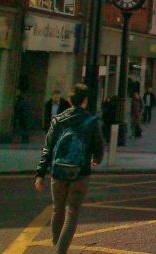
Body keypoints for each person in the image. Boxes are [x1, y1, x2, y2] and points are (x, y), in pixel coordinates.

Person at [35, 83, 105, 254]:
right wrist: (96, 159)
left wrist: (40, 174)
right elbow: (99, 147)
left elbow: (48, 148)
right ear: (86, 101)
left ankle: (56, 244)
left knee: (57, 209)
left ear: (69, 100)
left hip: (57, 172)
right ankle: (60, 251)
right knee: (72, 212)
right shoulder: (91, 121)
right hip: (80, 173)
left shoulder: (58, 120)